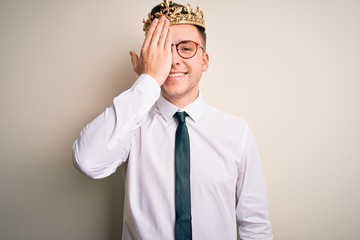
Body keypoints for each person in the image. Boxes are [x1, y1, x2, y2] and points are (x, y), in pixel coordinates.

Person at [72, 0, 273, 239]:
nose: (174, 60)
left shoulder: (237, 132)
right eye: (163, 50)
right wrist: (147, 81)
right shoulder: (131, 126)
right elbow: (87, 161)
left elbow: (255, 226)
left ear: (205, 60)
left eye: (186, 48)